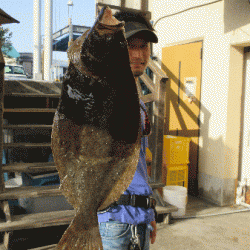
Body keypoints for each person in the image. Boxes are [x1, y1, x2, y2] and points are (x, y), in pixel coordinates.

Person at [98, 10, 158, 250]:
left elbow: (139, 164)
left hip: (139, 216)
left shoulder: (137, 97)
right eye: (129, 46)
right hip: (114, 221)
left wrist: (149, 211)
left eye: (143, 46)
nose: (139, 54)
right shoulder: (105, 91)